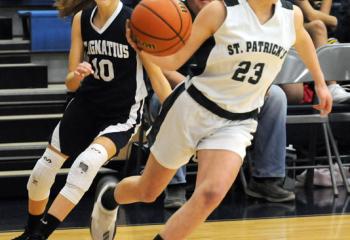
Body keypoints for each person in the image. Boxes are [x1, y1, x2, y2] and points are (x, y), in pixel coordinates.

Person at [91, 0, 332, 239]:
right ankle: (110, 197)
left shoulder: (292, 15)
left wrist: (321, 82)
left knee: (210, 194)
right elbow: (175, 60)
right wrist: (143, 49)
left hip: (238, 120)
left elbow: (302, 39)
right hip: (193, 109)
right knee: (148, 190)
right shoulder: (221, 11)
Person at [12, 0, 172, 239]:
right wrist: (77, 75)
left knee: (84, 164)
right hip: (86, 105)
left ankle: (40, 235)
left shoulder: (135, 23)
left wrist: (177, 115)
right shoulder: (81, 19)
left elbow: (157, 77)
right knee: (41, 172)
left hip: (121, 112)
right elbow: (70, 83)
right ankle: (29, 231)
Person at [282, 0, 350, 104]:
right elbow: (311, 15)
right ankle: (330, 85)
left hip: (313, 33)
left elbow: (323, 16)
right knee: (317, 27)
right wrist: (340, 21)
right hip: (289, 28)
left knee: (321, 29)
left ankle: (332, 87)